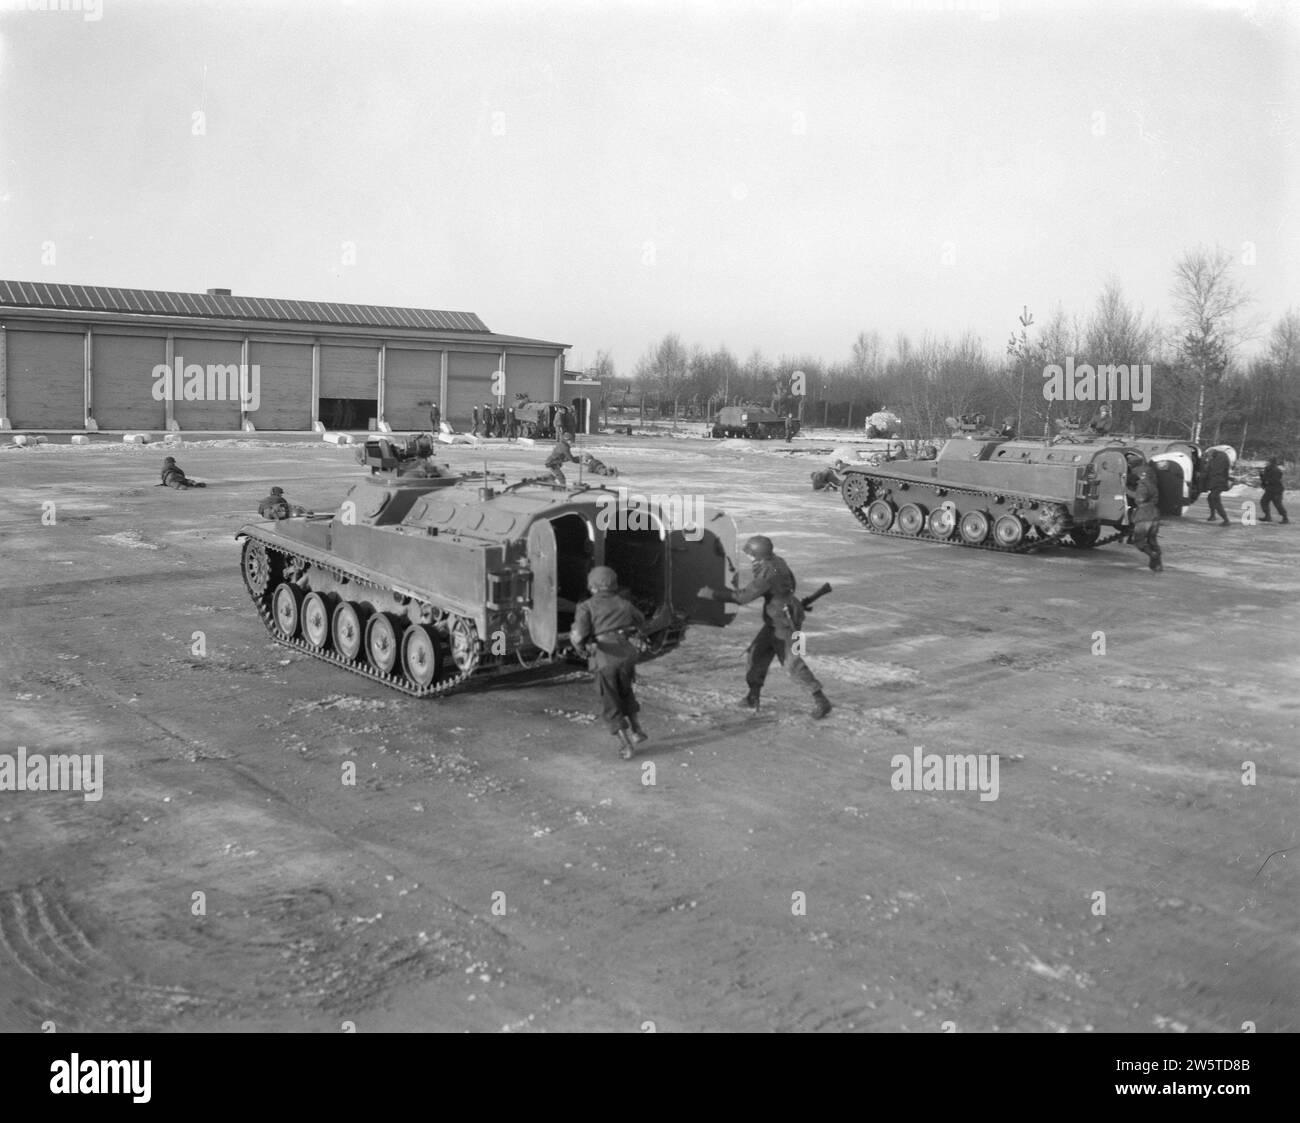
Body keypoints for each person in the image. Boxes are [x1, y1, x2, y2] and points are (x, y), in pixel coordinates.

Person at [698, 535, 832, 720]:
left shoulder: (767, 574)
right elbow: (790, 584)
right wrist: (788, 600)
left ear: (758, 554)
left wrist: (713, 594)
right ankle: (753, 697)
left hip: (784, 623)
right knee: (756, 654)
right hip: (777, 618)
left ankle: (820, 701)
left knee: (792, 663)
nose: (749, 558)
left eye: (751, 555)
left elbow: (743, 597)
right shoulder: (777, 561)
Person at [570, 566, 647, 760]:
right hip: (626, 654)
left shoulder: (586, 606)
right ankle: (637, 731)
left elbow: (578, 635)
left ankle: (626, 745)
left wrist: (579, 648)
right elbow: (641, 620)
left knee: (610, 701)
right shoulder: (624, 603)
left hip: (605, 657)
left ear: (592, 585)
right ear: (613, 583)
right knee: (626, 691)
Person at [1125, 452, 1163, 573]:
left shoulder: (1141, 485)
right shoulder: (1151, 483)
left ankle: (1152, 555)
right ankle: (1157, 564)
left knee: (1139, 541)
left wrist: (1125, 490)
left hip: (1144, 514)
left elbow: (1139, 499)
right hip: (1155, 514)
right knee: (1152, 540)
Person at [1202, 446, 1231, 526]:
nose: (1208, 457)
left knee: (1214, 499)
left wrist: (1207, 466)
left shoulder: (1220, 458)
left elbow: (1215, 471)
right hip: (1216, 482)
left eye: (1209, 455)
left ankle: (1226, 520)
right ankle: (1213, 515)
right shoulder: (1216, 458)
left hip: (1219, 482)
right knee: (1210, 498)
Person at [1259, 457, 1289, 524]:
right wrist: (1261, 476)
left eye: (1269, 461)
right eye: (1268, 461)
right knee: (1263, 502)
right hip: (1269, 490)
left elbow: (1275, 480)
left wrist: (1267, 481)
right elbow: (1265, 479)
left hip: (1277, 490)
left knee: (1278, 504)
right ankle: (1267, 516)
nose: (1267, 463)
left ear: (1273, 462)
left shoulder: (1277, 470)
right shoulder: (1267, 469)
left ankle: (1285, 518)